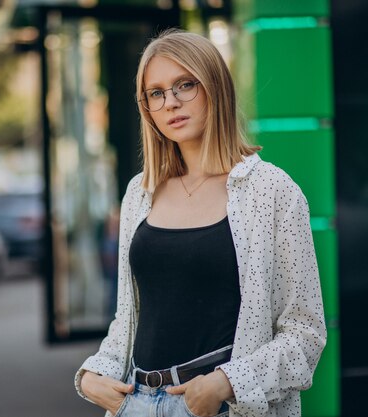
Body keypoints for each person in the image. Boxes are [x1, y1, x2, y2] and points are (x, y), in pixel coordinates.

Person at [74, 29, 326, 417]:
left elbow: (304, 334)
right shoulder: (139, 194)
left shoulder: (272, 191)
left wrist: (227, 383)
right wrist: (93, 375)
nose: (170, 102)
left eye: (184, 85)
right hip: (134, 404)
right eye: (156, 93)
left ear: (215, 88)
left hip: (219, 406)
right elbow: (129, 320)